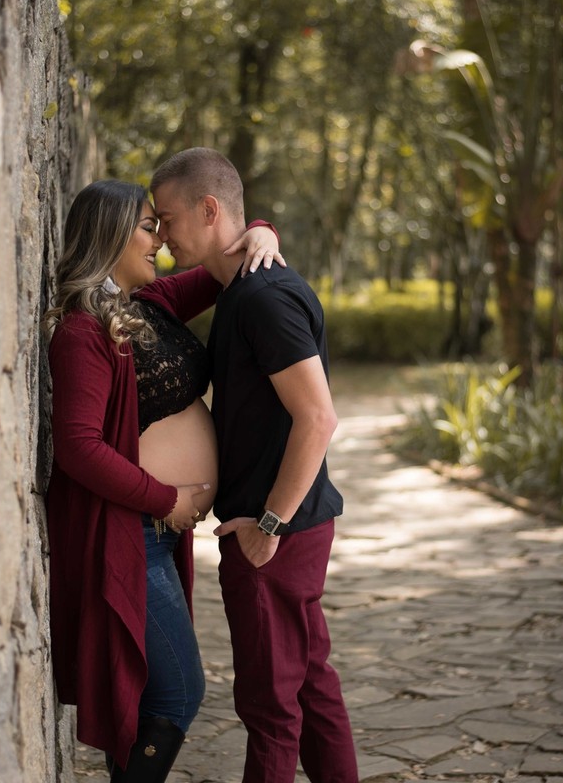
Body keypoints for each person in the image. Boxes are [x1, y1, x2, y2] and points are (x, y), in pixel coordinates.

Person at [43, 178, 283, 781]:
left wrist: (263, 231)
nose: (161, 240)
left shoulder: (148, 304)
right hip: (128, 535)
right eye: (149, 227)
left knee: (153, 693)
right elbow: (78, 447)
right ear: (111, 233)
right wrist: (168, 498)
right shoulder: (83, 331)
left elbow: (224, 263)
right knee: (176, 693)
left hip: (158, 534)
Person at [150, 149, 359, 783]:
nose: (159, 236)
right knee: (310, 687)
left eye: (166, 219)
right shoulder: (241, 285)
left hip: (274, 532)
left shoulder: (264, 296)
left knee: (270, 708)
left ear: (209, 210)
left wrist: (267, 526)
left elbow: (318, 419)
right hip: (282, 528)